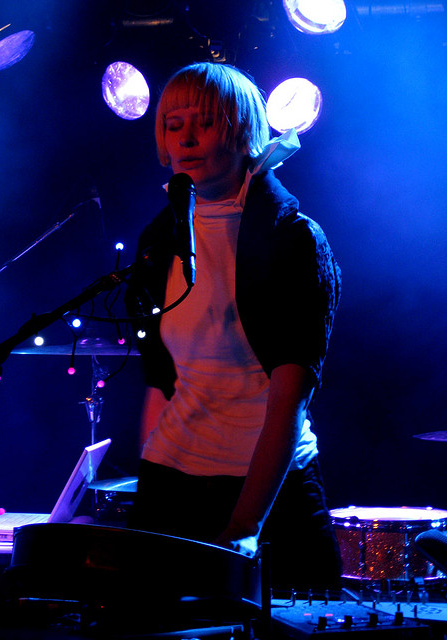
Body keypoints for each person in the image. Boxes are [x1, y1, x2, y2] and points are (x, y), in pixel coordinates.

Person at [127, 62, 342, 593]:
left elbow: (287, 400)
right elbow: (160, 379)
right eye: (174, 124)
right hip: (170, 485)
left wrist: (244, 526)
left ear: (243, 128)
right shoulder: (160, 239)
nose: (187, 138)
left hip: (266, 494)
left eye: (204, 121)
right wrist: (149, 476)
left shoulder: (293, 240)